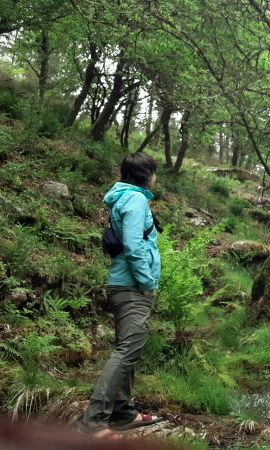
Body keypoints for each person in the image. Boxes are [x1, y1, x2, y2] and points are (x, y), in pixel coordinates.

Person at [78, 153, 162, 438]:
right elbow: (133, 246)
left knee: (128, 348)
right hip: (131, 286)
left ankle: (123, 412)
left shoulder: (124, 198)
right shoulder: (137, 200)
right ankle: (94, 421)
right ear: (147, 175)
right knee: (127, 350)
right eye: (154, 173)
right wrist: (147, 282)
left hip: (124, 284)